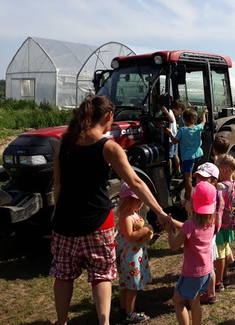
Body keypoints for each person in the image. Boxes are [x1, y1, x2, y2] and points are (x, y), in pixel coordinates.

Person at [50, 95, 170, 325]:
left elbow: (58, 184)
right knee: (101, 275)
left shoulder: (64, 141)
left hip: (64, 222)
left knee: (63, 276)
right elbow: (136, 183)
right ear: (108, 116)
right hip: (98, 224)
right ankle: (103, 323)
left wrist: (56, 211)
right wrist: (160, 212)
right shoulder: (109, 147)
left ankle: (61, 321)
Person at [168, 181, 216, 325]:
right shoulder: (212, 221)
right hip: (207, 271)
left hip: (192, 274)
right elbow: (190, 228)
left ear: (193, 204)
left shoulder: (190, 225)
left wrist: (170, 231)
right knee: (194, 301)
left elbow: (174, 246)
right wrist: (177, 219)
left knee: (178, 302)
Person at [115, 183, 153, 323]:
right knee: (132, 286)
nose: (141, 202)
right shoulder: (126, 217)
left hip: (133, 256)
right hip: (130, 258)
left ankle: (125, 309)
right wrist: (146, 229)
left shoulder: (132, 214)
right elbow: (130, 236)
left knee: (127, 285)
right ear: (127, 200)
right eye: (137, 199)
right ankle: (130, 313)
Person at [193, 162, 222, 305]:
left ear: (214, 180)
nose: (200, 181)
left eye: (204, 178)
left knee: (208, 264)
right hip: (206, 232)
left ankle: (209, 293)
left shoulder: (212, 194)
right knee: (207, 263)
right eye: (198, 177)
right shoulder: (202, 190)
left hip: (206, 233)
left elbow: (203, 217)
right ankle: (208, 291)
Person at [165, 107, 208, 201]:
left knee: (188, 178)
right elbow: (203, 122)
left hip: (188, 156)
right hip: (197, 154)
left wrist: (169, 133)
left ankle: (189, 198)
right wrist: (204, 113)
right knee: (191, 172)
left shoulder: (182, 130)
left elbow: (175, 141)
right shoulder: (198, 128)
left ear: (183, 119)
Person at [213, 154, 235, 292]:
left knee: (220, 255)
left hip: (219, 225)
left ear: (223, 170)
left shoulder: (221, 186)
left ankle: (218, 282)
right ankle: (225, 277)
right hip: (228, 223)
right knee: (224, 250)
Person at [211, 135, 235, 272]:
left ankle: (220, 277)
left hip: (221, 219)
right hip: (230, 215)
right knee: (225, 244)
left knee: (220, 249)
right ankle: (232, 262)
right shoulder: (232, 168)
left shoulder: (220, 184)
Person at [161, 99, 186, 176]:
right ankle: (178, 170)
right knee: (175, 155)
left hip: (170, 138)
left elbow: (171, 120)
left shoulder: (169, 112)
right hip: (175, 137)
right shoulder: (176, 114)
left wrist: (166, 112)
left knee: (169, 156)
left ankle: (170, 172)